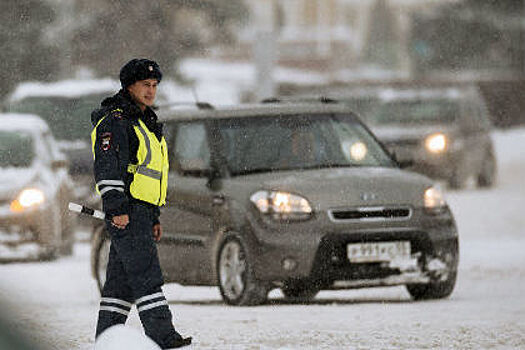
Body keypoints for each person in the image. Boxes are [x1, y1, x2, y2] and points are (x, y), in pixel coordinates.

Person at [90, 58, 192, 349]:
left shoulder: (145, 121)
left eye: (154, 85)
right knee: (147, 276)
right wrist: (117, 208)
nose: (151, 91)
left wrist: (155, 216)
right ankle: (163, 336)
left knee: (119, 287)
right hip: (128, 210)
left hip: (143, 211)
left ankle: (106, 338)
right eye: (145, 85)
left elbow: (151, 174)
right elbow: (108, 168)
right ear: (129, 86)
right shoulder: (116, 121)